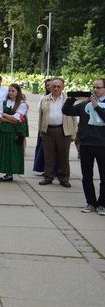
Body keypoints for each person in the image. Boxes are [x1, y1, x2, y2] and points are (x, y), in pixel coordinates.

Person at [62, 78, 105, 214]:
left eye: (98, 87)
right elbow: (67, 111)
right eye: (94, 87)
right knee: (87, 176)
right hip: (86, 144)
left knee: (104, 177)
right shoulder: (85, 104)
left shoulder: (96, 104)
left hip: (102, 145)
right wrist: (72, 98)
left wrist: (96, 106)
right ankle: (90, 203)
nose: (95, 90)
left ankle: (102, 204)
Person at [37, 78, 77, 188]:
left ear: (63, 87)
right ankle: (48, 177)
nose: (55, 89)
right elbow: (41, 116)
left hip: (63, 131)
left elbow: (74, 118)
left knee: (63, 156)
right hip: (48, 130)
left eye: (58, 87)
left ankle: (64, 178)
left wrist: (73, 133)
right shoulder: (44, 99)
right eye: (53, 86)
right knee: (48, 156)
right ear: (50, 87)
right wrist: (41, 131)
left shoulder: (68, 100)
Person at [0, 84, 28, 182]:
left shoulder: (22, 104)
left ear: (18, 92)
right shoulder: (4, 102)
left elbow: (17, 118)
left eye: (13, 91)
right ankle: (6, 172)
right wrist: (10, 119)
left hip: (14, 132)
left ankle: (10, 173)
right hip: (3, 130)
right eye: (9, 90)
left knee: (12, 152)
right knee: (4, 152)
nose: (10, 93)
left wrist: (4, 115)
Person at [33, 78, 54, 174]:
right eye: (47, 85)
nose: (49, 87)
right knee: (43, 149)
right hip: (45, 127)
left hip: (57, 128)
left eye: (51, 85)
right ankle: (45, 169)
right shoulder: (44, 98)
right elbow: (39, 111)